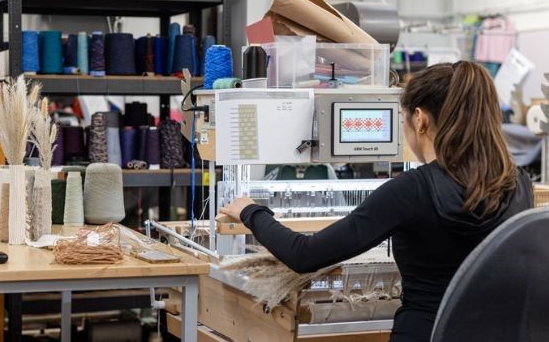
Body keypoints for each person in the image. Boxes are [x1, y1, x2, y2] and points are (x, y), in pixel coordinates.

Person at [219, 61, 534, 342]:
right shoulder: (518, 183)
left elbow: (305, 255)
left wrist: (250, 211)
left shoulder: (412, 189)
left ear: (420, 119)